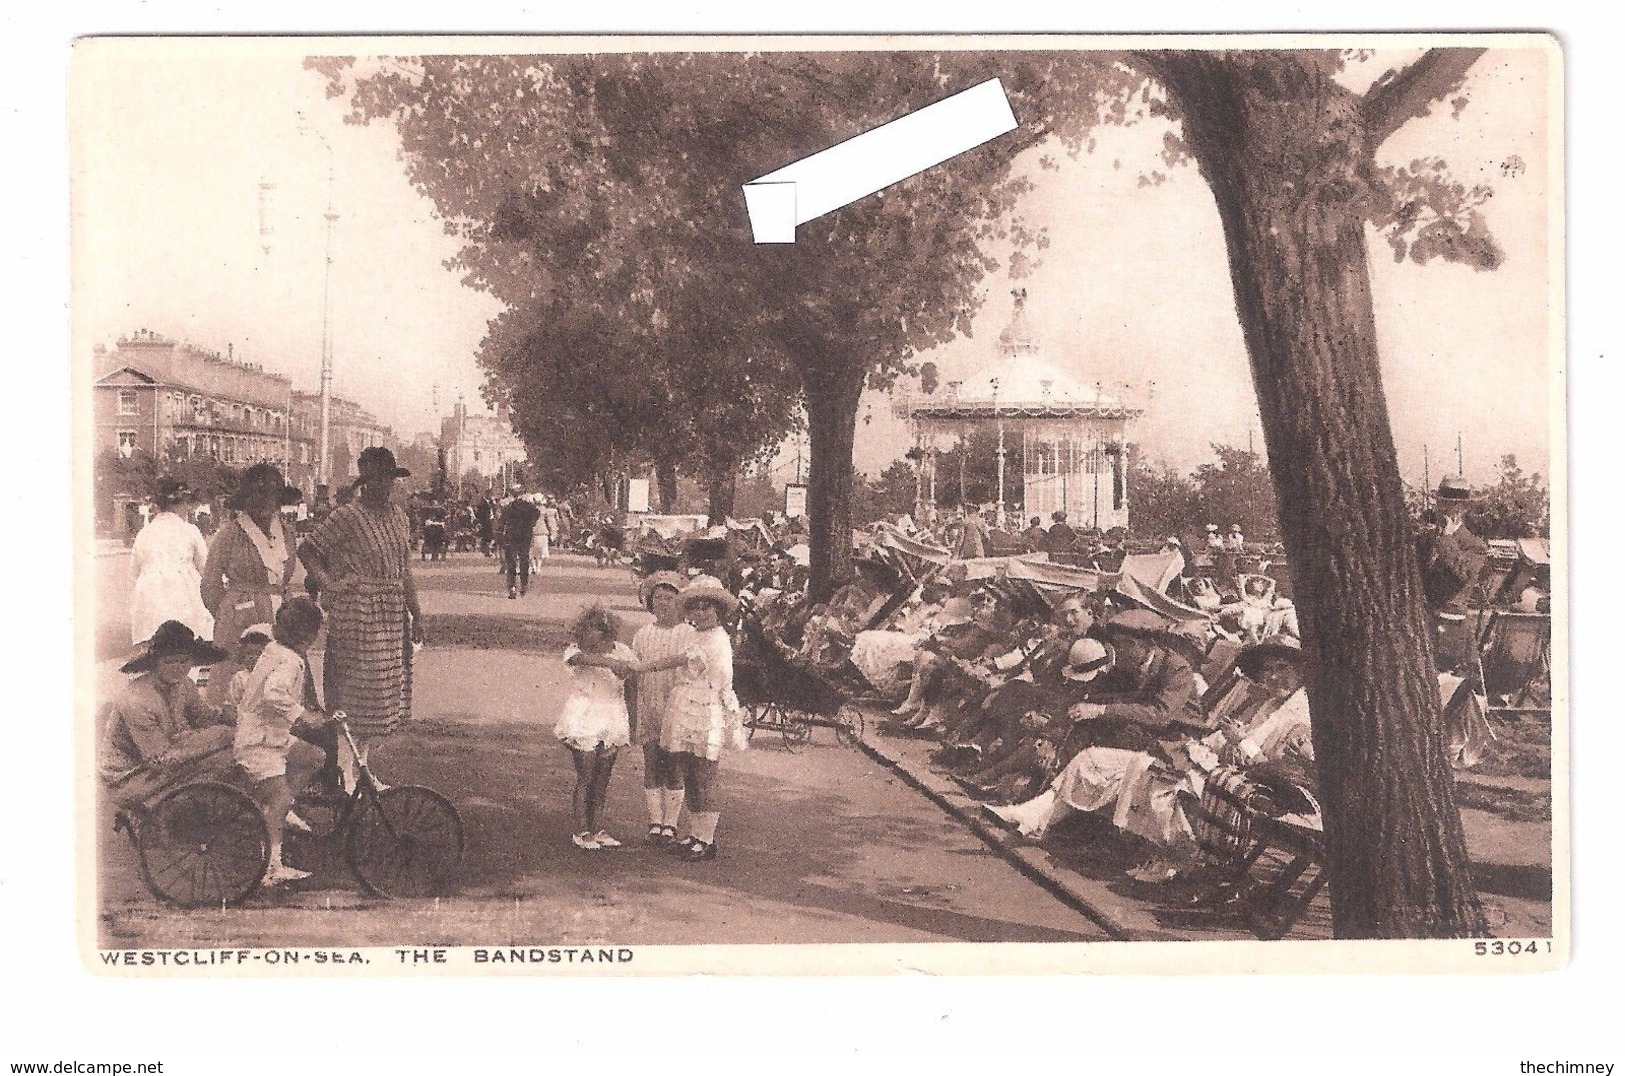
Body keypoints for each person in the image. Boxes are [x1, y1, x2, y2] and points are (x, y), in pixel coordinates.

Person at [297, 447, 423, 791]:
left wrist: (416, 612)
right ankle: (345, 774)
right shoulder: (347, 516)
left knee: (382, 699)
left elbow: (405, 569)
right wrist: (331, 584)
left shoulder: (399, 516)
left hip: (391, 613)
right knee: (355, 696)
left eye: (388, 479)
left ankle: (362, 768)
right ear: (364, 483)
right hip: (357, 615)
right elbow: (307, 549)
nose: (383, 486)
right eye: (375, 480)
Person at [640, 577, 746, 861]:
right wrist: (643, 666)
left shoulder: (719, 639)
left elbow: (714, 676)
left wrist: (646, 666)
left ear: (719, 611)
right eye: (695, 608)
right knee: (687, 772)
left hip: (705, 707)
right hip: (684, 705)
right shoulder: (693, 635)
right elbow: (676, 659)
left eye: (706, 608)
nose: (700, 613)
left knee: (704, 775)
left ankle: (707, 839)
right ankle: (696, 833)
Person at [234, 598, 333, 886]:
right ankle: (272, 867)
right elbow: (273, 693)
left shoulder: (275, 649)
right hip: (258, 741)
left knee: (314, 757)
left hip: (270, 734)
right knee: (280, 798)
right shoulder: (289, 661)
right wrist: (304, 716)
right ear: (308, 635)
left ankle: (279, 811)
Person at [99, 621, 233, 810]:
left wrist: (232, 716)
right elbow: (160, 760)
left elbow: (205, 717)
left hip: (164, 759)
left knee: (234, 748)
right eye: (170, 661)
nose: (178, 667)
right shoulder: (137, 699)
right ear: (155, 663)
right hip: (129, 778)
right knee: (223, 758)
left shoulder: (184, 685)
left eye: (184, 661)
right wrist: (221, 737)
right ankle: (169, 811)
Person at [201, 463, 305, 689]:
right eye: (257, 495)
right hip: (240, 620)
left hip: (279, 615)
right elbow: (210, 584)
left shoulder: (286, 533)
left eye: (272, 495)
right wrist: (229, 611)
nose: (265, 502)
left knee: (278, 680)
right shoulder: (231, 533)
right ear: (246, 499)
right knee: (239, 682)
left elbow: (284, 577)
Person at [555, 604, 638, 850]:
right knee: (586, 774)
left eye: (597, 633)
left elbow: (632, 687)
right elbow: (581, 659)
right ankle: (581, 830)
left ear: (608, 634)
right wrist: (611, 663)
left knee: (603, 777)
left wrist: (633, 725)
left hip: (611, 718)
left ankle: (597, 827)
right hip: (582, 717)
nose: (590, 639)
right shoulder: (576, 652)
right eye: (585, 633)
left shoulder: (623, 651)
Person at [629, 572, 693, 845]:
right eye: (658, 598)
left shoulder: (689, 634)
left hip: (677, 706)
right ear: (650, 602)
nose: (664, 604)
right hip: (650, 704)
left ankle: (671, 822)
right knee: (652, 761)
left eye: (670, 598)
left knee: (675, 765)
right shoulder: (643, 634)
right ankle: (655, 821)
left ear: (681, 603)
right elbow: (634, 672)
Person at [1418, 476, 1490, 673]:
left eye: (1447, 505)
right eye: (1439, 502)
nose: (1439, 509)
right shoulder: (1427, 539)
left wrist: (1447, 540)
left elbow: (1463, 573)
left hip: (1450, 631)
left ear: (1461, 508)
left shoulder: (1475, 546)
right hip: (1422, 627)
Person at [128, 479, 213, 645]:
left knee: (155, 640)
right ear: (180, 506)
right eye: (187, 504)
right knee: (186, 637)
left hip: (150, 594)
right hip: (181, 592)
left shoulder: (144, 533)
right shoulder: (190, 530)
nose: (189, 508)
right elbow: (205, 568)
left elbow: (134, 571)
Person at [498, 489, 543, 598]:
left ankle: (512, 587)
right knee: (524, 560)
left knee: (511, 562)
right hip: (525, 536)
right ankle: (523, 585)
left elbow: (501, 522)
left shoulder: (509, 507)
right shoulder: (530, 507)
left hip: (511, 536)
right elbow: (537, 513)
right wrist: (531, 524)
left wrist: (501, 536)